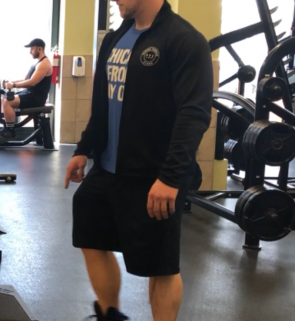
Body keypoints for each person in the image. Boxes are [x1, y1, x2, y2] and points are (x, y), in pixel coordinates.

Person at [64, 0, 212, 320]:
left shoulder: (184, 39)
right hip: (107, 168)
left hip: (154, 175)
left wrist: (170, 177)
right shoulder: (115, 38)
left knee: (161, 265)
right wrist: (83, 149)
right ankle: (110, 314)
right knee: (90, 234)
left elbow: (194, 114)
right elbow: (103, 104)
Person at [0, 38, 53, 138]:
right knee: (4, 98)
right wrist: (11, 82)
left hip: (36, 98)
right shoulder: (36, 63)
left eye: (32, 49)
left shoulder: (44, 64)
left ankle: (10, 131)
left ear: (39, 49)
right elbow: (25, 79)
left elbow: (32, 82)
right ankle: (7, 127)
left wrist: (13, 86)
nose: (30, 52)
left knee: (8, 102)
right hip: (29, 94)